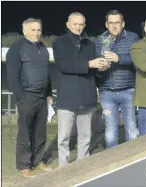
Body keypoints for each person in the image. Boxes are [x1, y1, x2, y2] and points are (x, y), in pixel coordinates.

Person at [53, 12, 108, 167]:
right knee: (63, 136)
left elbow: (93, 71)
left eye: (81, 24)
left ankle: (82, 164)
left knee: (85, 135)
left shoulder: (90, 44)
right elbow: (64, 66)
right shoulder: (59, 43)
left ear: (84, 25)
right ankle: (63, 166)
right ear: (68, 24)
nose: (78, 27)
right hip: (67, 97)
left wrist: (101, 68)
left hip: (86, 96)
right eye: (75, 24)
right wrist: (90, 64)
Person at [6, 18, 53, 177]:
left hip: (41, 98)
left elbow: (47, 73)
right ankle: (24, 165)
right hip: (27, 97)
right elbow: (12, 76)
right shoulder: (17, 48)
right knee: (25, 132)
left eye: (39, 30)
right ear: (25, 31)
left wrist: (48, 93)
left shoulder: (43, 48)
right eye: (33, 30)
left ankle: (38, 160)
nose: (37, 33)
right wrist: (21, 96)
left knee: (40, 132)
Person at [94, 10, 140, 148]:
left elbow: (137, 61)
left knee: (131, 127)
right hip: (107, 91)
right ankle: (111, 159)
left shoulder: (133, 38)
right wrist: (100, 70)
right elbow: (95, 66)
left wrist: (118, 59)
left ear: (123, 24)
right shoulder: (99, 40)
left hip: (128, 90)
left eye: (117, 23)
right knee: (110, 129)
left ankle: (133, 157)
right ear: (106, 24)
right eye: (111, 23)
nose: (114, 26)